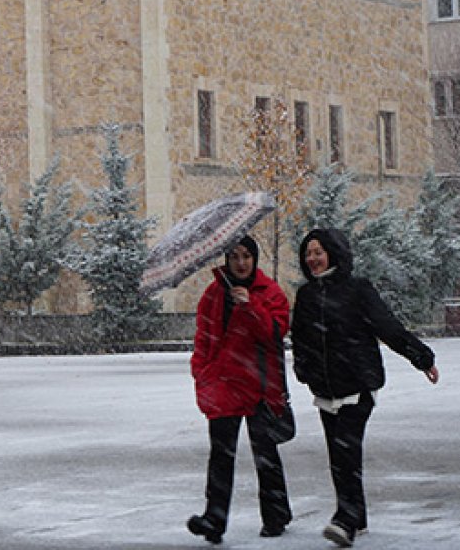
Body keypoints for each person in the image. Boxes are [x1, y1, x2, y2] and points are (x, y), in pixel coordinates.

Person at [290, 228, 440, 548]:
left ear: (333, 252)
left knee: (346, 450)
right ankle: (357, 518)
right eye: (308, 253)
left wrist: (421, 357)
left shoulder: (357, 290)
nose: (312, 259)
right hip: (325, 390)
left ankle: (345, 518)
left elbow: (388, 327)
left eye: (318, 252)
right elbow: (299, 337)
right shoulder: (306, 295)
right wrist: (303, 369)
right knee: (338, 456)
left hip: (357, 385)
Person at [187, 236, 293, 544]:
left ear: (255, 259)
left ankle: (276, 515)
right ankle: (214, 519)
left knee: (265, 454)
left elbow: (275, 333)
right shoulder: (212, 295)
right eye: (234, 256)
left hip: (259, 384)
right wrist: (202, 372)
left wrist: (251, 305)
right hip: (223, 385)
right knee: (221, 455)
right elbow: (203, 338)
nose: (241, 262)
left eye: (246, 256)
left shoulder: (269, 292)